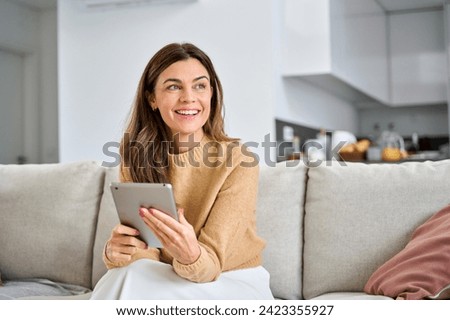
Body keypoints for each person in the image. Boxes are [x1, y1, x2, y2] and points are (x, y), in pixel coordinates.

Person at [90, 42, 274, 299]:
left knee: (128, 283)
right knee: (124, 275)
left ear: (211, 93)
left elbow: (209, 266)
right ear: (152, 98)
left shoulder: (239, 160)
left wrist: (190, 253)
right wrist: (118, 252)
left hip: (230, 278)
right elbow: (148, 254)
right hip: (167, 275)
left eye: (200, 85)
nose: (189, 97)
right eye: (174, 86)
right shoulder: (136, 156)